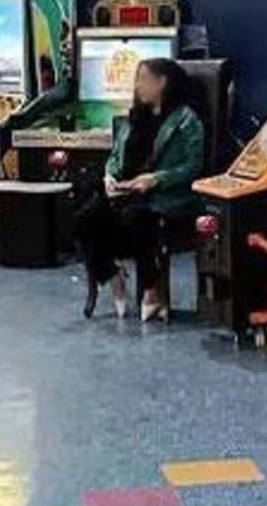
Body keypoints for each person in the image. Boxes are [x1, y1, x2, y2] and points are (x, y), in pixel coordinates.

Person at [77, 59, 205, 322]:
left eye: (144, 79)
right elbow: (115, 156)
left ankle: (151, 290)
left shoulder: (186, 120)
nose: (139, 85)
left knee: (140, 217)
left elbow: (193, 165)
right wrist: (109, 176)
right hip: (127, 191)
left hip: (165, 195)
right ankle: (111, 274)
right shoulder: (133, 118)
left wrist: (157, 178)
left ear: (163, 82)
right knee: (84, 216)